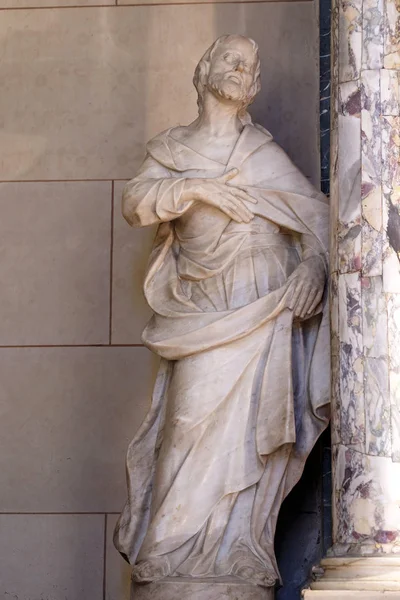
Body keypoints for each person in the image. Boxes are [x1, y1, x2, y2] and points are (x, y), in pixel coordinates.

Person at [114, 34, 330, 589]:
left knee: (253, 430)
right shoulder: (170, 150)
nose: (239, 69)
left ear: (254, 85)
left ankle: (239, 548)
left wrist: (312, 268)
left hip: (264, 303)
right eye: (229, 60)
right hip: (203, 307)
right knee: (186, 422)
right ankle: (167, 545)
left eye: (248, 66)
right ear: (203, 69)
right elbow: (136, 204)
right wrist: (200, 188)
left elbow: (322, 223)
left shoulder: (262, 154)